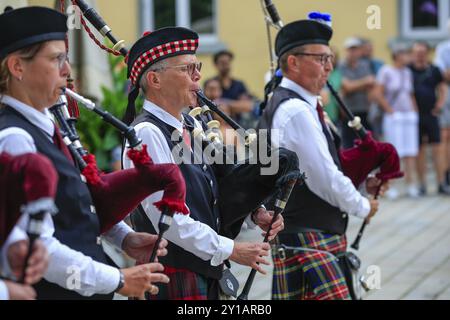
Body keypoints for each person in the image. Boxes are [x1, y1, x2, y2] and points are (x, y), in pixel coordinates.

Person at [0, 6, 169, 299]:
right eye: (56, 59)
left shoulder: (46, 125)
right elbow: (40, 248)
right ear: (17, 67)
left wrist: (123, 238)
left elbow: (74, 204)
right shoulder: (15, 139)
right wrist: (117, 279)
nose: (67, 70)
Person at [123, 27, 284, 300]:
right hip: (172, 274)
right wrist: (231, 249)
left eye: (196, 66)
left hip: (206, 270)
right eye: (187, 68)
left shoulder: (191, 123)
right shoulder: (146, 134)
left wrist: (255, 212)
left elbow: (220, 181)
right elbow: (169, 218)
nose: (198, 75)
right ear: (155, 79)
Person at [258, 18, 382, 300]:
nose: (329, 66)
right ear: (293, 62)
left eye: (331, 59)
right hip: (308, 236)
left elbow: (327, 163)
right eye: (321, 58)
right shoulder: (295, 110)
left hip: (303, 234)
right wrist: (363, 206)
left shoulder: (298, 104)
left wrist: (364, 182)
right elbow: (323, 176)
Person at [375, 44, 420, 199]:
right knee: (394, 151)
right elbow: (378, 94)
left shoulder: (407, 72)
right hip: (394, 116)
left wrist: (415, 111)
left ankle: (411, 184)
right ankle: (390, 186)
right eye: (405, 53)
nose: (408, 57)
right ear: (397, 55)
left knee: (410, 150)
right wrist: (390, 110)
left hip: (408, 115)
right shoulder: (386, 71)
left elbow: (410, 94)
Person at [409, 41, 449, 195]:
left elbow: (442, 87)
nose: (419, 55)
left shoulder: (434, 70)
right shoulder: (408, 70)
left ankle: (441, 183)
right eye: (417, 52)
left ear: (427, 53)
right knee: (420, 150)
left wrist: (439, 104)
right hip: (415, 115)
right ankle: (422, 184)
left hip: (431, 114)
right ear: (413, 54)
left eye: (422, 52)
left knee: (438, 148)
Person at [340, 37, 375, 148]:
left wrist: (355, 85)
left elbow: (372, 83)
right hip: (348, 112)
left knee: (366, 142)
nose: (353, 52)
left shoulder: (364, 64)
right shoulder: (342, 66)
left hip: (364, 110)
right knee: (348, 145)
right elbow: (347, 87)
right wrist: (364, 83)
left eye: (356, 49)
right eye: (351, 49)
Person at [209, 50, 255, 128]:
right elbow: (208, 106)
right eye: (222, 63)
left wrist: (224, 104)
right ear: (216, 65)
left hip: (238, 125)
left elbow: (248, 106)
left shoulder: (239, 84)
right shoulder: (211, 84)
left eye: (227, 62)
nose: (226, 65)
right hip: (216, 126)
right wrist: (236, 106)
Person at [435, 21, 450, 188]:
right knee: (445, 136)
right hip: (448, 93)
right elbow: (443, 74)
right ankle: (445, 177)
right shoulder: (444, 48)